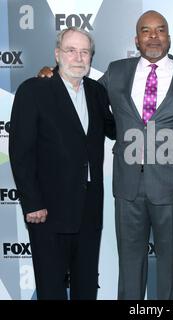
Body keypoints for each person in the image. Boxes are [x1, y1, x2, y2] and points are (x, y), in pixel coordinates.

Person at [38, 10, 173, 300]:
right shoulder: (117, 71)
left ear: (169, 37)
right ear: (136, 40)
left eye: (160, 30)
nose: (153, 36)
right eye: (146, 31)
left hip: (171, 187)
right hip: (127, 187)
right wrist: (52, 73)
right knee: (129, 265)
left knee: (169, 267)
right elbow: (80, 91)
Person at [9, 27, 116, 300]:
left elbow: (114, 129)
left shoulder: (96, 92)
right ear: (57, 54)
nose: (78, 57)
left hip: (89, 208)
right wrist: (32, 202)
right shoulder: (34, 90)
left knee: (86, 287)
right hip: (48, 211)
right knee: (52, 289)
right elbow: (21, 152)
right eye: (71, 50)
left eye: (85, 52)